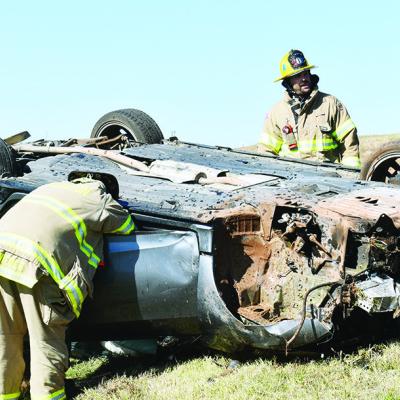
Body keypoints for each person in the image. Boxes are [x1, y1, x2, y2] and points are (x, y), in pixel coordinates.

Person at [0, 171, 135, 400]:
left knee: (5, 340)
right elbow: (126, 226)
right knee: (46, 343)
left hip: (2, 255)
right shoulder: (97, 196)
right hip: (38, 266)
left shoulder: (48, 189)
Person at [258, 49, 361, 168]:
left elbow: (350, 145)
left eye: (306, 73)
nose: (304, 78)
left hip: (329, 181)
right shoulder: (276, 113)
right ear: (287, 82)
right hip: (290, 183)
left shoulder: (331, 104)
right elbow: (266, 152)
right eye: (297, 76)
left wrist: (350, 177)